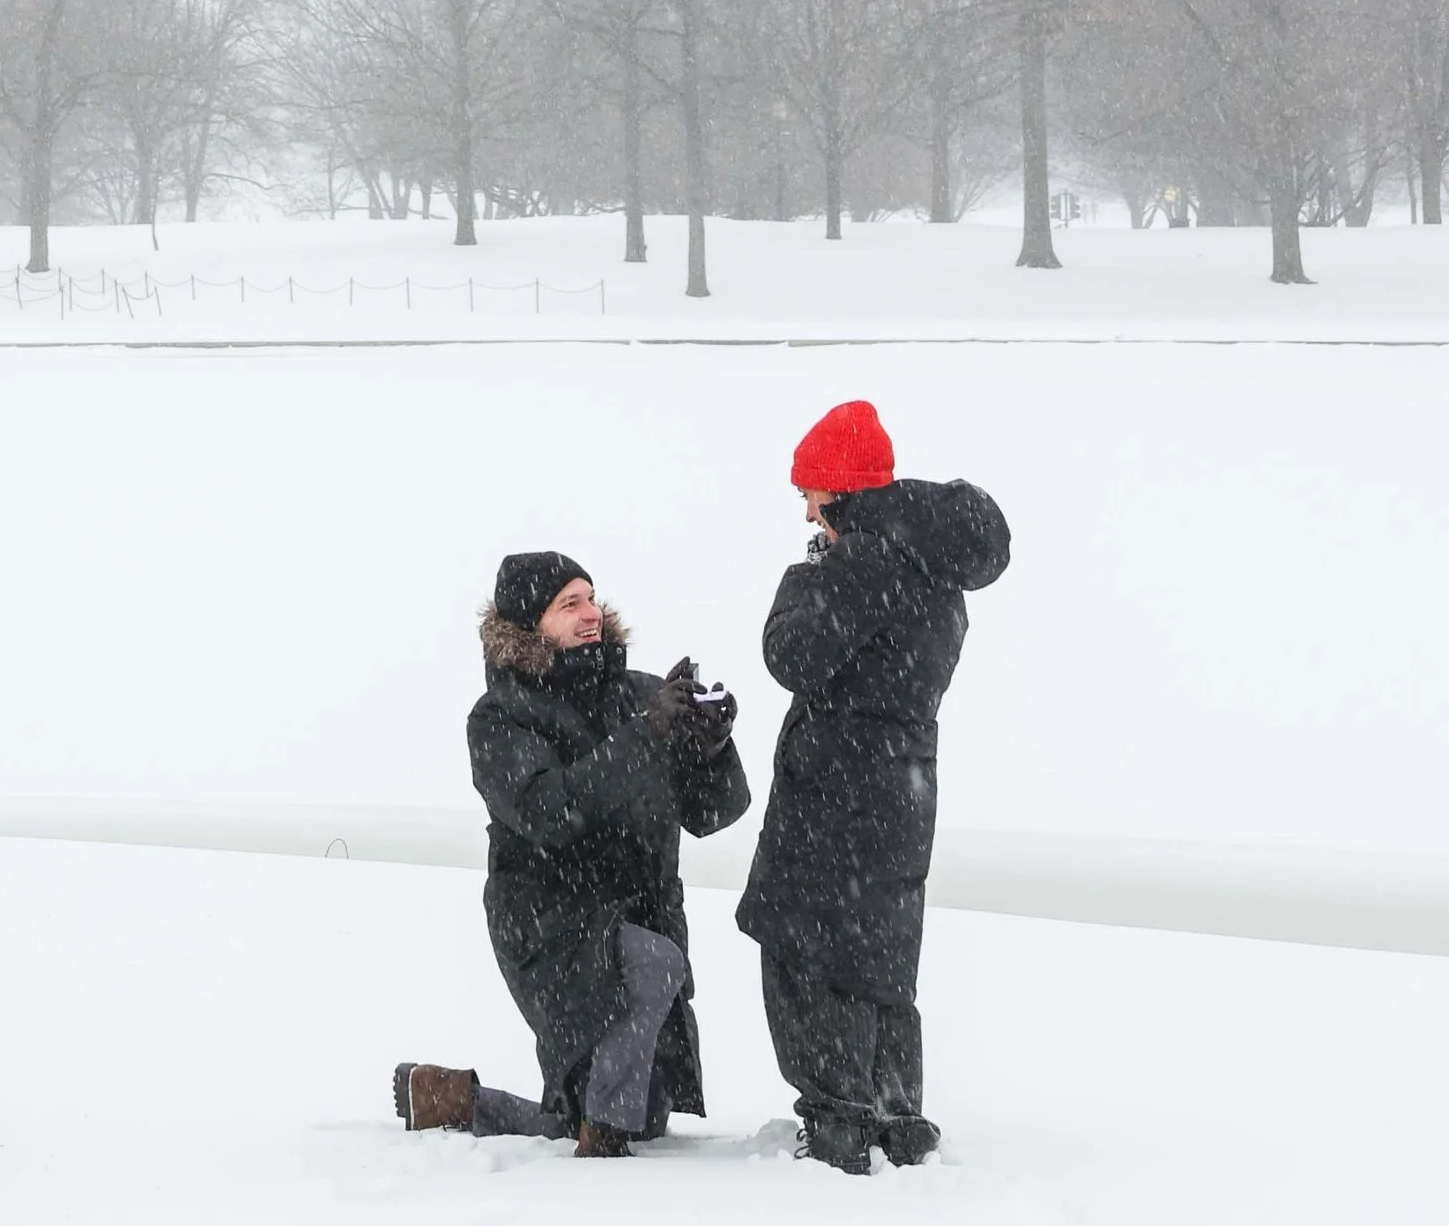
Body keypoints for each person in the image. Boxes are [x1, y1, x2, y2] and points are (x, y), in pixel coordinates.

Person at [395, 549, 750, 1155]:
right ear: (531, 624)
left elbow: (714, 816)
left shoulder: (639, 695)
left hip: (641, 914)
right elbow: (547, 811)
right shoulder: (499, 719)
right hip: (551, 924)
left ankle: (452, 1099)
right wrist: (643, 738)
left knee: (638, 1114)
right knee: (642, 1006)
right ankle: (600, 1149)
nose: (592, 614)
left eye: (591, 597)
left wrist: (710, 749)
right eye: (570, 604)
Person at [736, 399, 1010, 1175]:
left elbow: (789, 654)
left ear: (837, 491)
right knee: (880, 957)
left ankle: (836, 1127)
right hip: (904, 786)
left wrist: (811, 570)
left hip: (836, 792)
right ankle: (897, 1118)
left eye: (810, 497)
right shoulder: (935, 568)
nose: (808, 513)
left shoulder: (863, 563)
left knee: (806, 953)